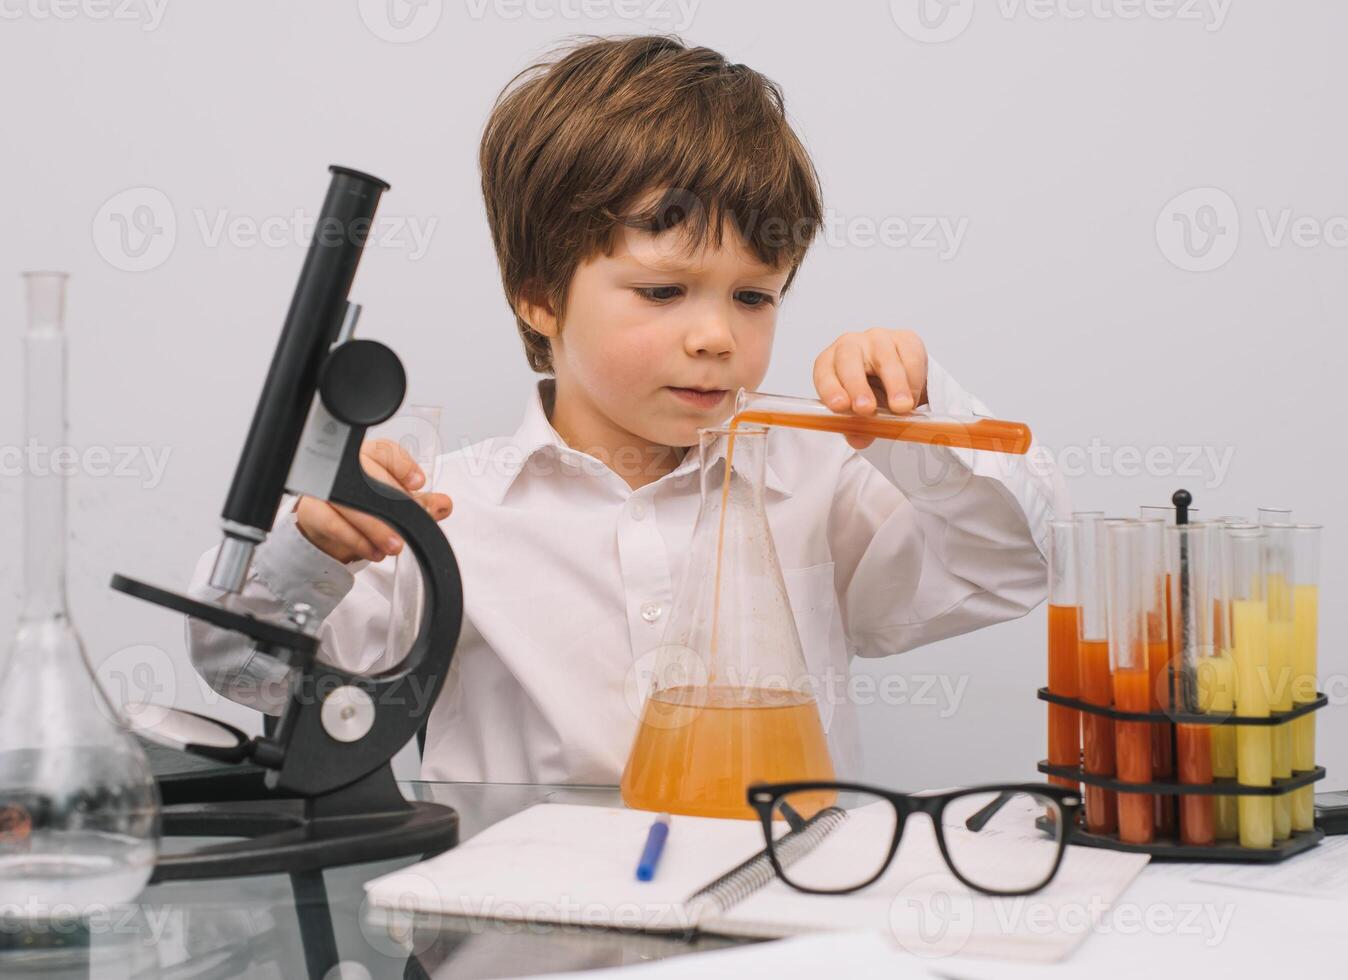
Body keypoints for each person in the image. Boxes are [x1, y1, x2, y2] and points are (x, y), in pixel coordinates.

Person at [185, 35, 1066, 784]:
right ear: (539, 297)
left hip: (768, 939)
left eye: (755, 298)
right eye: (663, 289)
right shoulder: (446, 513)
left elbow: (1015, 562)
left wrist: (910, 427)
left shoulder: (819, 476)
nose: (718, 337)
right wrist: (318, 542)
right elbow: (245, 668)